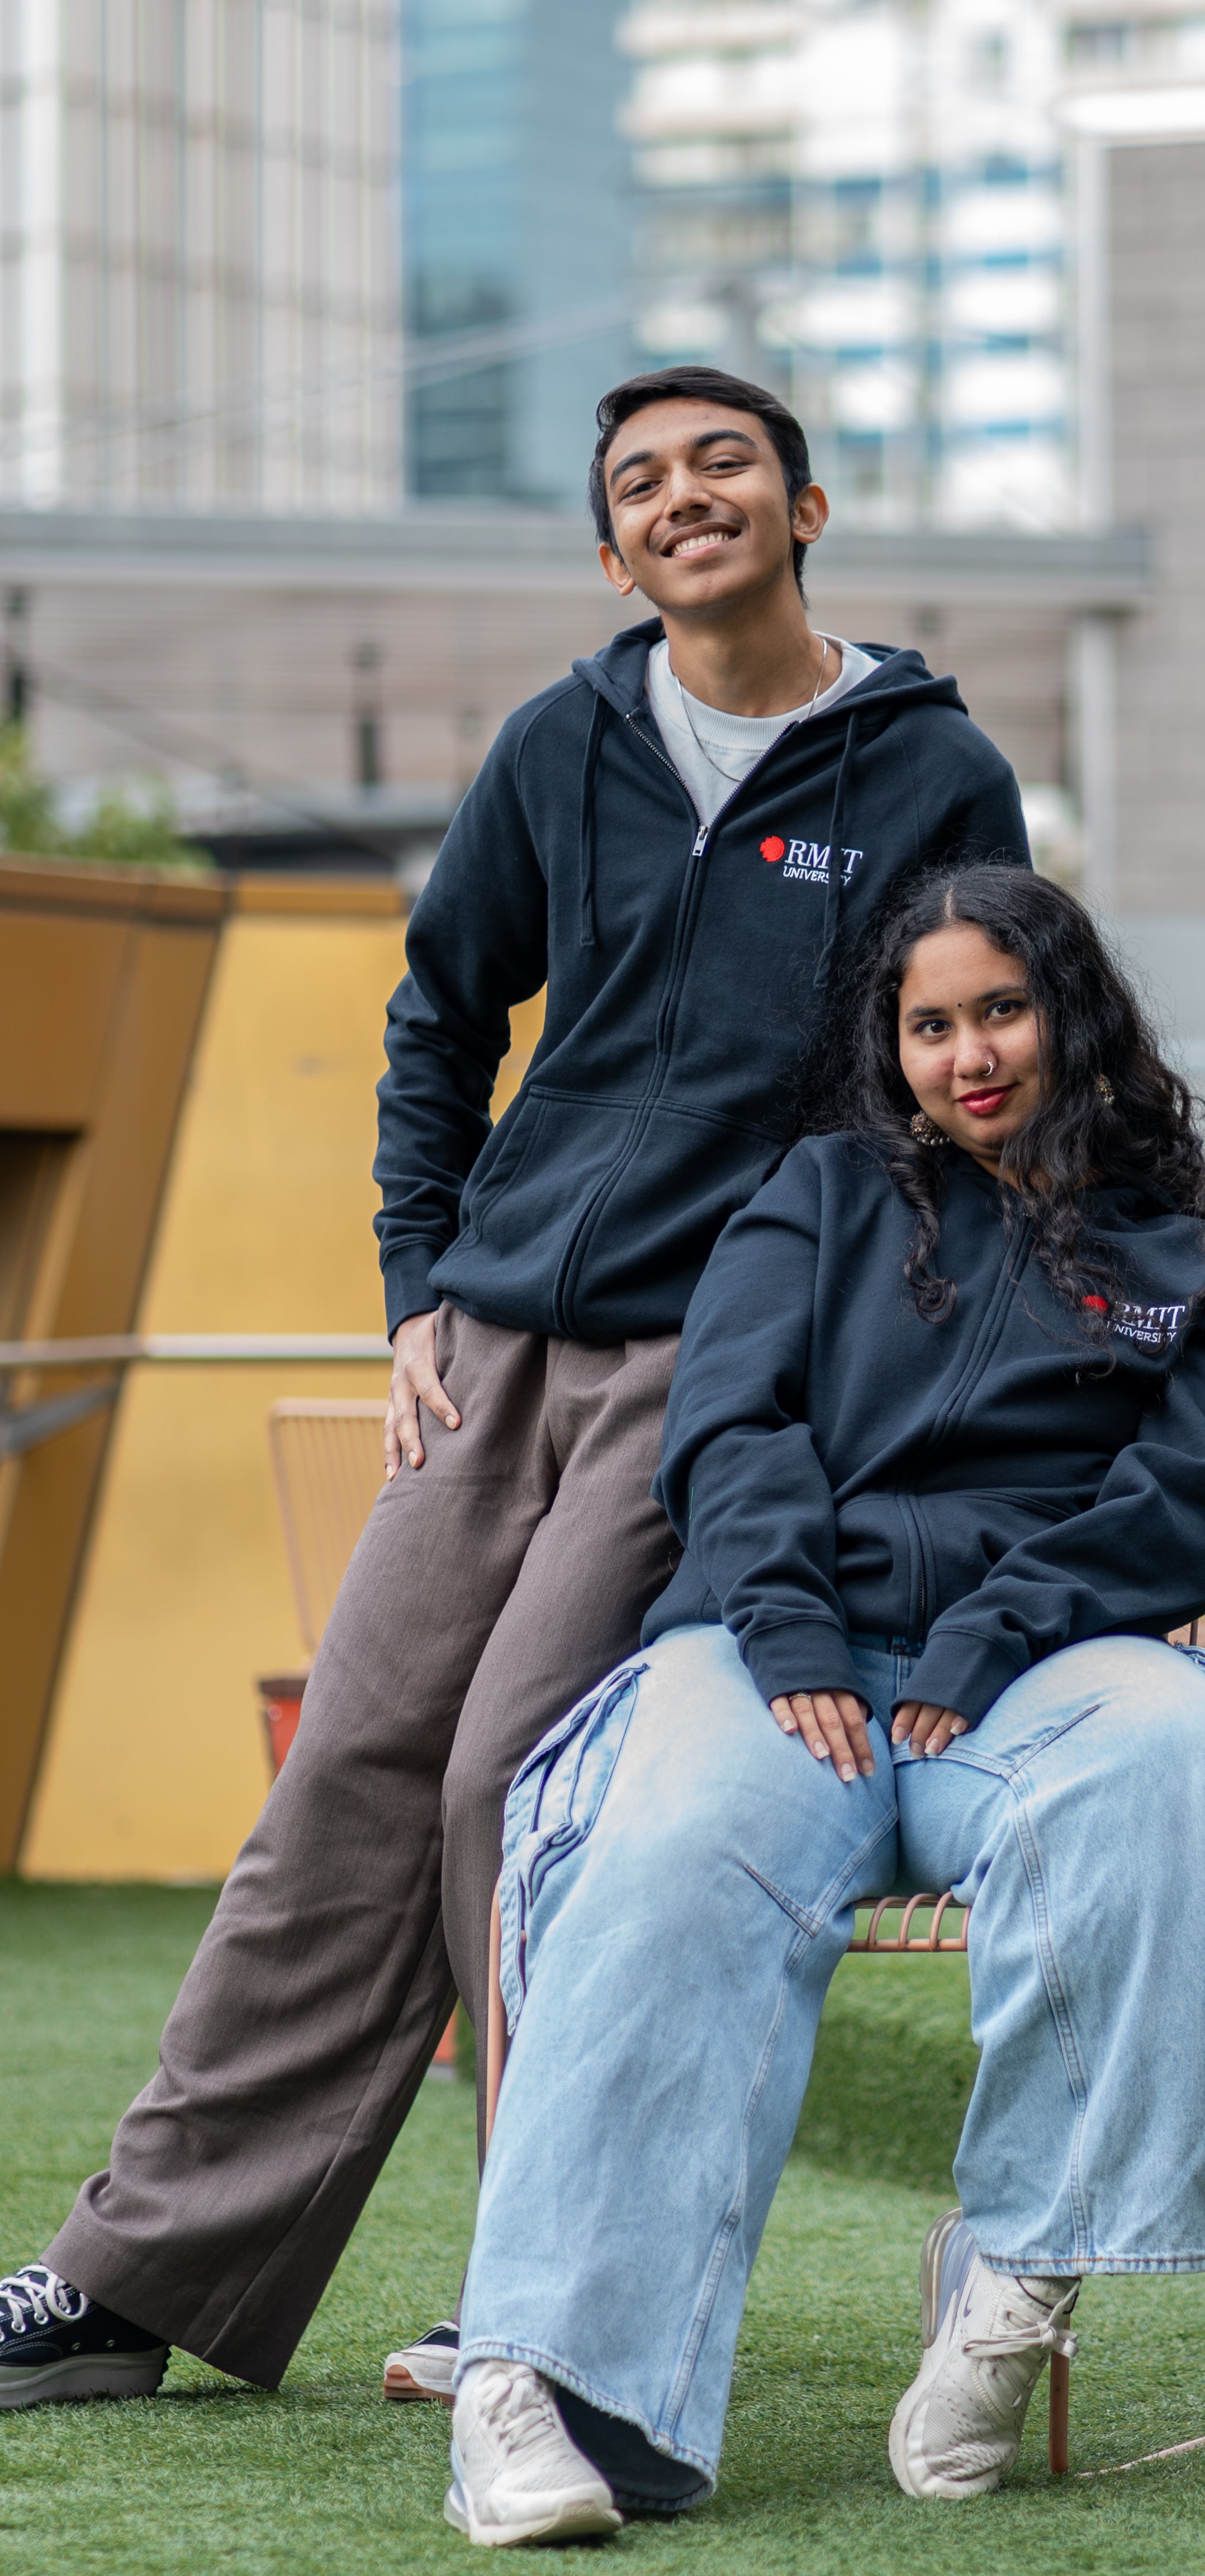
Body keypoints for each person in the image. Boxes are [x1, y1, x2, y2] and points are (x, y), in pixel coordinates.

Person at [0, 370, 1028, 2415]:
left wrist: (853, 1342)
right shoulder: (562, 743)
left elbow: (969, 1068)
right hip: (493, 1342)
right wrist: (412, 1287)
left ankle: (545, 2299)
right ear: (609, 549)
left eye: (722, 461)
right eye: (639, 483)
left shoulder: (934, 773)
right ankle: (130, 2280)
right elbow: (438, 1020)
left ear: (806, 504)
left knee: (516, 1792)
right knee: (347, 1780)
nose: (684, 497)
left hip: (723, 1361)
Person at [440, 867, 1205, 2542]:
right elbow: (730, 1428)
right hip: (786, 1670)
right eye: (932, 1024)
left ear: (1076, 1017)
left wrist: (1000, 1629)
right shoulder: (814, 1198)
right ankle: (540, 2379)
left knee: (1192, 1755)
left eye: (1004, 1010)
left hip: (1045, 1675)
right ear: (890, 1047)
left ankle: (1016, 2274)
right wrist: (792, 1634)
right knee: (674, 1838)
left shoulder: (1188, 1259)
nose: (971, 1054)